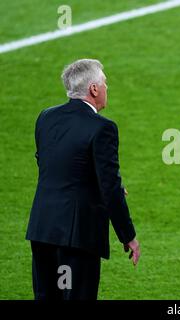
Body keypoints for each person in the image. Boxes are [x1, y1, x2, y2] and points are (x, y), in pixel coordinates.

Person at [26, 59, 140, 300]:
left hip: (43, 228)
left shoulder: (46, 118)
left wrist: (97, 184)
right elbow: (110, 189)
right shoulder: (103, 128)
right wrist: (127, 235)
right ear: (94, 89)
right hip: (77, 236)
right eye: (105, 83)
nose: (107, 89)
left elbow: (51, 164)